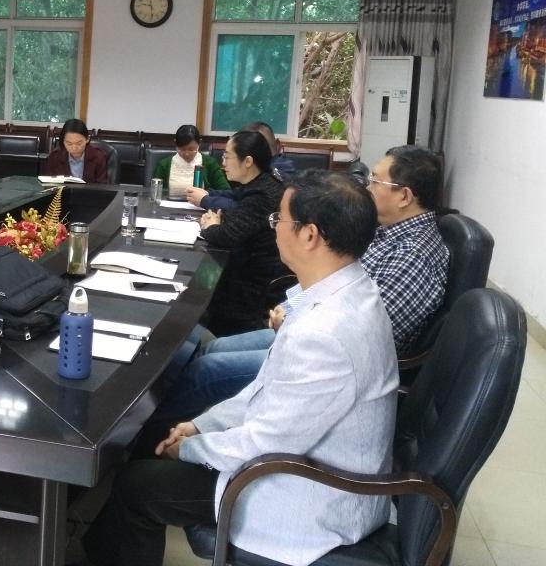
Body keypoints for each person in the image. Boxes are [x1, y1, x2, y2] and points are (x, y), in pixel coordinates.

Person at [82, 171, 398, 566]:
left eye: (279, 219)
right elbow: (268, 387)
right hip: (303, 461)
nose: (273, 227)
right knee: (148, 465)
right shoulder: (344, 293)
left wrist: (190, 450)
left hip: (309, 496)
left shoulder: (326, 333)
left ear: (310, 235)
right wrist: (202, 425)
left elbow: (268, 441)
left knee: (136, 487)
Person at [151, 144, 449, 425]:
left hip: (328, 363)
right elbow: (334, 281)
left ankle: (153, 437)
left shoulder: (413, 255)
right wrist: (290, 308)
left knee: (206, 370)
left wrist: (294, 319)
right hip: (309, 330)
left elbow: (369, 333)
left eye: (375, 181)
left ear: (404, 196)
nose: (367, 188)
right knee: (213, 348)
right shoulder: (389, 234)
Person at [197, 130, 287, 337]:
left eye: (227, 156)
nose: (223, 163)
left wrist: (211, 226)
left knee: (201, 287)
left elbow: (226, 236)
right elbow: (237, 206)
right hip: (253, 270)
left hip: (253, 283)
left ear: (247, 161)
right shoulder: (263, 182)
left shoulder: (261, 195)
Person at [185, 121, 289, 211]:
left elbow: (243, 208)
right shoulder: (258, 176)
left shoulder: (275, 178)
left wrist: (205, 200)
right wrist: (207, 193)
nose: (224, 163)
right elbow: (237, 194)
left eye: (227, 157)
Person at [150, 124, 228, 197]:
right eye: (182, 149)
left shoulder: (210, 163)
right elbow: (154, 191)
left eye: (191, 149)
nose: (187, 154)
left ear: (199, 143)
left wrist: (206, 195)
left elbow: (226, 191)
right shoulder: (164, 165)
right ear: (176, 144)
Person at [43, 118, 108, 183]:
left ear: (87, 139)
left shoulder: (98, 157)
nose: (74, 148)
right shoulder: (55, 157)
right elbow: (49, 183)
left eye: (79, 143)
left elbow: (102, 185)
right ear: (63, 141)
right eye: (69, 143)